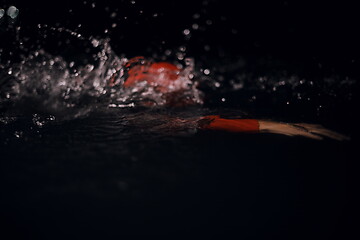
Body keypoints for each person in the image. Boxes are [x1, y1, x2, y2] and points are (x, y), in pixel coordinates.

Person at [109, 56, 349, 141]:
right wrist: (270, 126)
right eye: (183, 92)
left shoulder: (150, 104)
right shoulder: (136, 118)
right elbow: (196, 122)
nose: (194, 92)